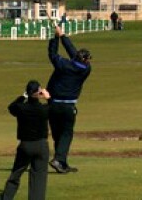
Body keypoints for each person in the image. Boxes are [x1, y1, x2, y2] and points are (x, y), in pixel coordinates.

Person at [46, 21, 92, 174]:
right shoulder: (86, 69)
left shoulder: (63, 64)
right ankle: (59, 160)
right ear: (85, 60)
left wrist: (56, 37)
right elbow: (74, 53)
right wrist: (62, 36)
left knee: (58, 134)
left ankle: (62, 163)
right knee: (66, 134)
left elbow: (53, 54)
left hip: (52, 105)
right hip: (67, 107)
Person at [1, 80, 50, 200]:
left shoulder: (21, 108)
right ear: (39, 93)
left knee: (16, 173)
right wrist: (48, 98)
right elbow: (54, 109)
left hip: (25, 145)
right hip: (41, 145)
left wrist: (23, 96)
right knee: (38, 177)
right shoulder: (43, 109)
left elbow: (11, 107)